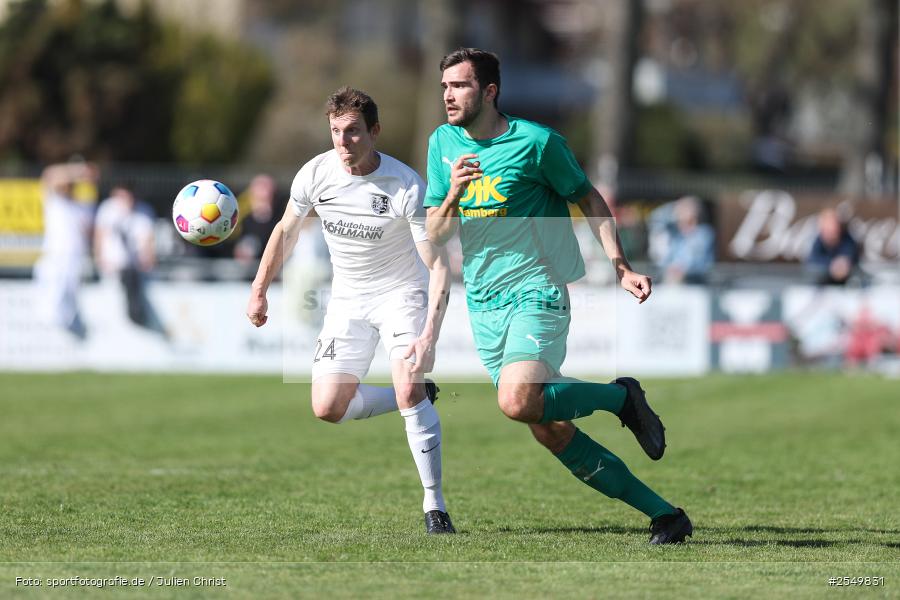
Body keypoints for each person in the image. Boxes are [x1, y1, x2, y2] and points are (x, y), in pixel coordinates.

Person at [424, 48, 691, 544]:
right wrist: (454, 193)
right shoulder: (442, 143)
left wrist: (620, 265)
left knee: (515, 399)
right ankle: (666, 515)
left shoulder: (537, 142)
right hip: (483, 303)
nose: (448, 95)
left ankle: (619, 398)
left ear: (489, 92)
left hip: (537, 289)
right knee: (546, 426)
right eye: (444, 86)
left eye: (459, 86)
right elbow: (435, 233)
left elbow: (588, 196)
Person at [246, 87, 455, 534]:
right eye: (336, 132)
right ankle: (419, 394)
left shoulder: (405, 186)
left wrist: (429, 334)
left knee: (406, 388)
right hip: (348, 299)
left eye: (353, 132)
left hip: (401, 293)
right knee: (327, 407)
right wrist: (260, 289)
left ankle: (434, 506)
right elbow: (286, 230)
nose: (343, 142)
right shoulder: (316, 174)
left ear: (374, 132)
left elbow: (437, 266)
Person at [33, 161, 97, 339]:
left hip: (76, 263)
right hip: (55, 259)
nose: (64, 187)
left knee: (69, 308)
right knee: (51, 306)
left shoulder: (84, 207)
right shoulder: (54, 202)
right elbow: (48, 175)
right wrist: (77, 170)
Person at [94, 183, 166, 335]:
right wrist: (100, 258)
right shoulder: (107, 209)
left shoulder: (144, 211)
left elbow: (148, 239)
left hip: (134, 267)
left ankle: (137, 318)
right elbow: (100, 235)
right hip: (113, 266)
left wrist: (148, 259)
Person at [658, 196, 715, 284]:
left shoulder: (704, 234)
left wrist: (682, 270)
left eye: (683, 210)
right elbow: (666, 260)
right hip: (673, 282)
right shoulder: (676, 235)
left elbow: (701, 262)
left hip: (696, 284)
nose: (678, 213)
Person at [805, 207, 859, 285]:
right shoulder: (817, 242)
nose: (832, 230)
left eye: (834, 226)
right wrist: (831, 265)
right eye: (828, 227)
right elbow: (812, 263)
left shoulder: (847, 240)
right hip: (822, 286)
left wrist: (841, 265)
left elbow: (846, 260)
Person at [234, 174, 280, 265]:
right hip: (242, 271)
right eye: (260, 187)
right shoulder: (239, 220)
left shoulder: (280, 220)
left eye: (266, 187)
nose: (264, 191)